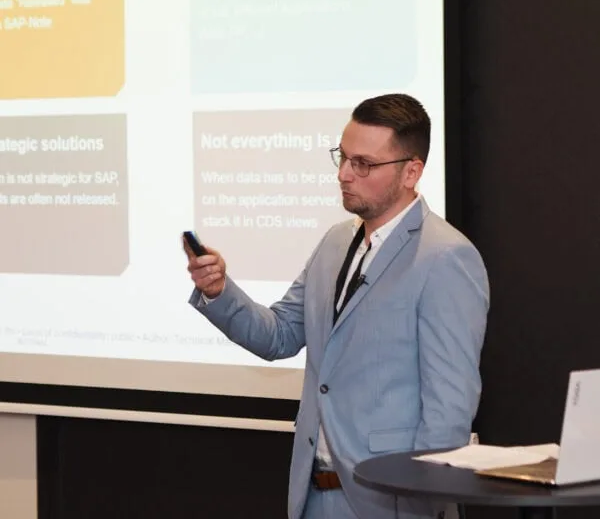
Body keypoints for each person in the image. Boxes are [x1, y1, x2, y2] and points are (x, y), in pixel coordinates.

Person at [184, 93, 489, 519]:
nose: (344, 173)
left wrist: (421, 502)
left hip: (390, 502)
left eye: (363, 164)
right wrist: (219, 291)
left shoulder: (445, 257)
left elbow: (449, 408)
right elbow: (279, 335)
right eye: (343, 157)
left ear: (411, 172)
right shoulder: (335, 242)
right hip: (312, 495)